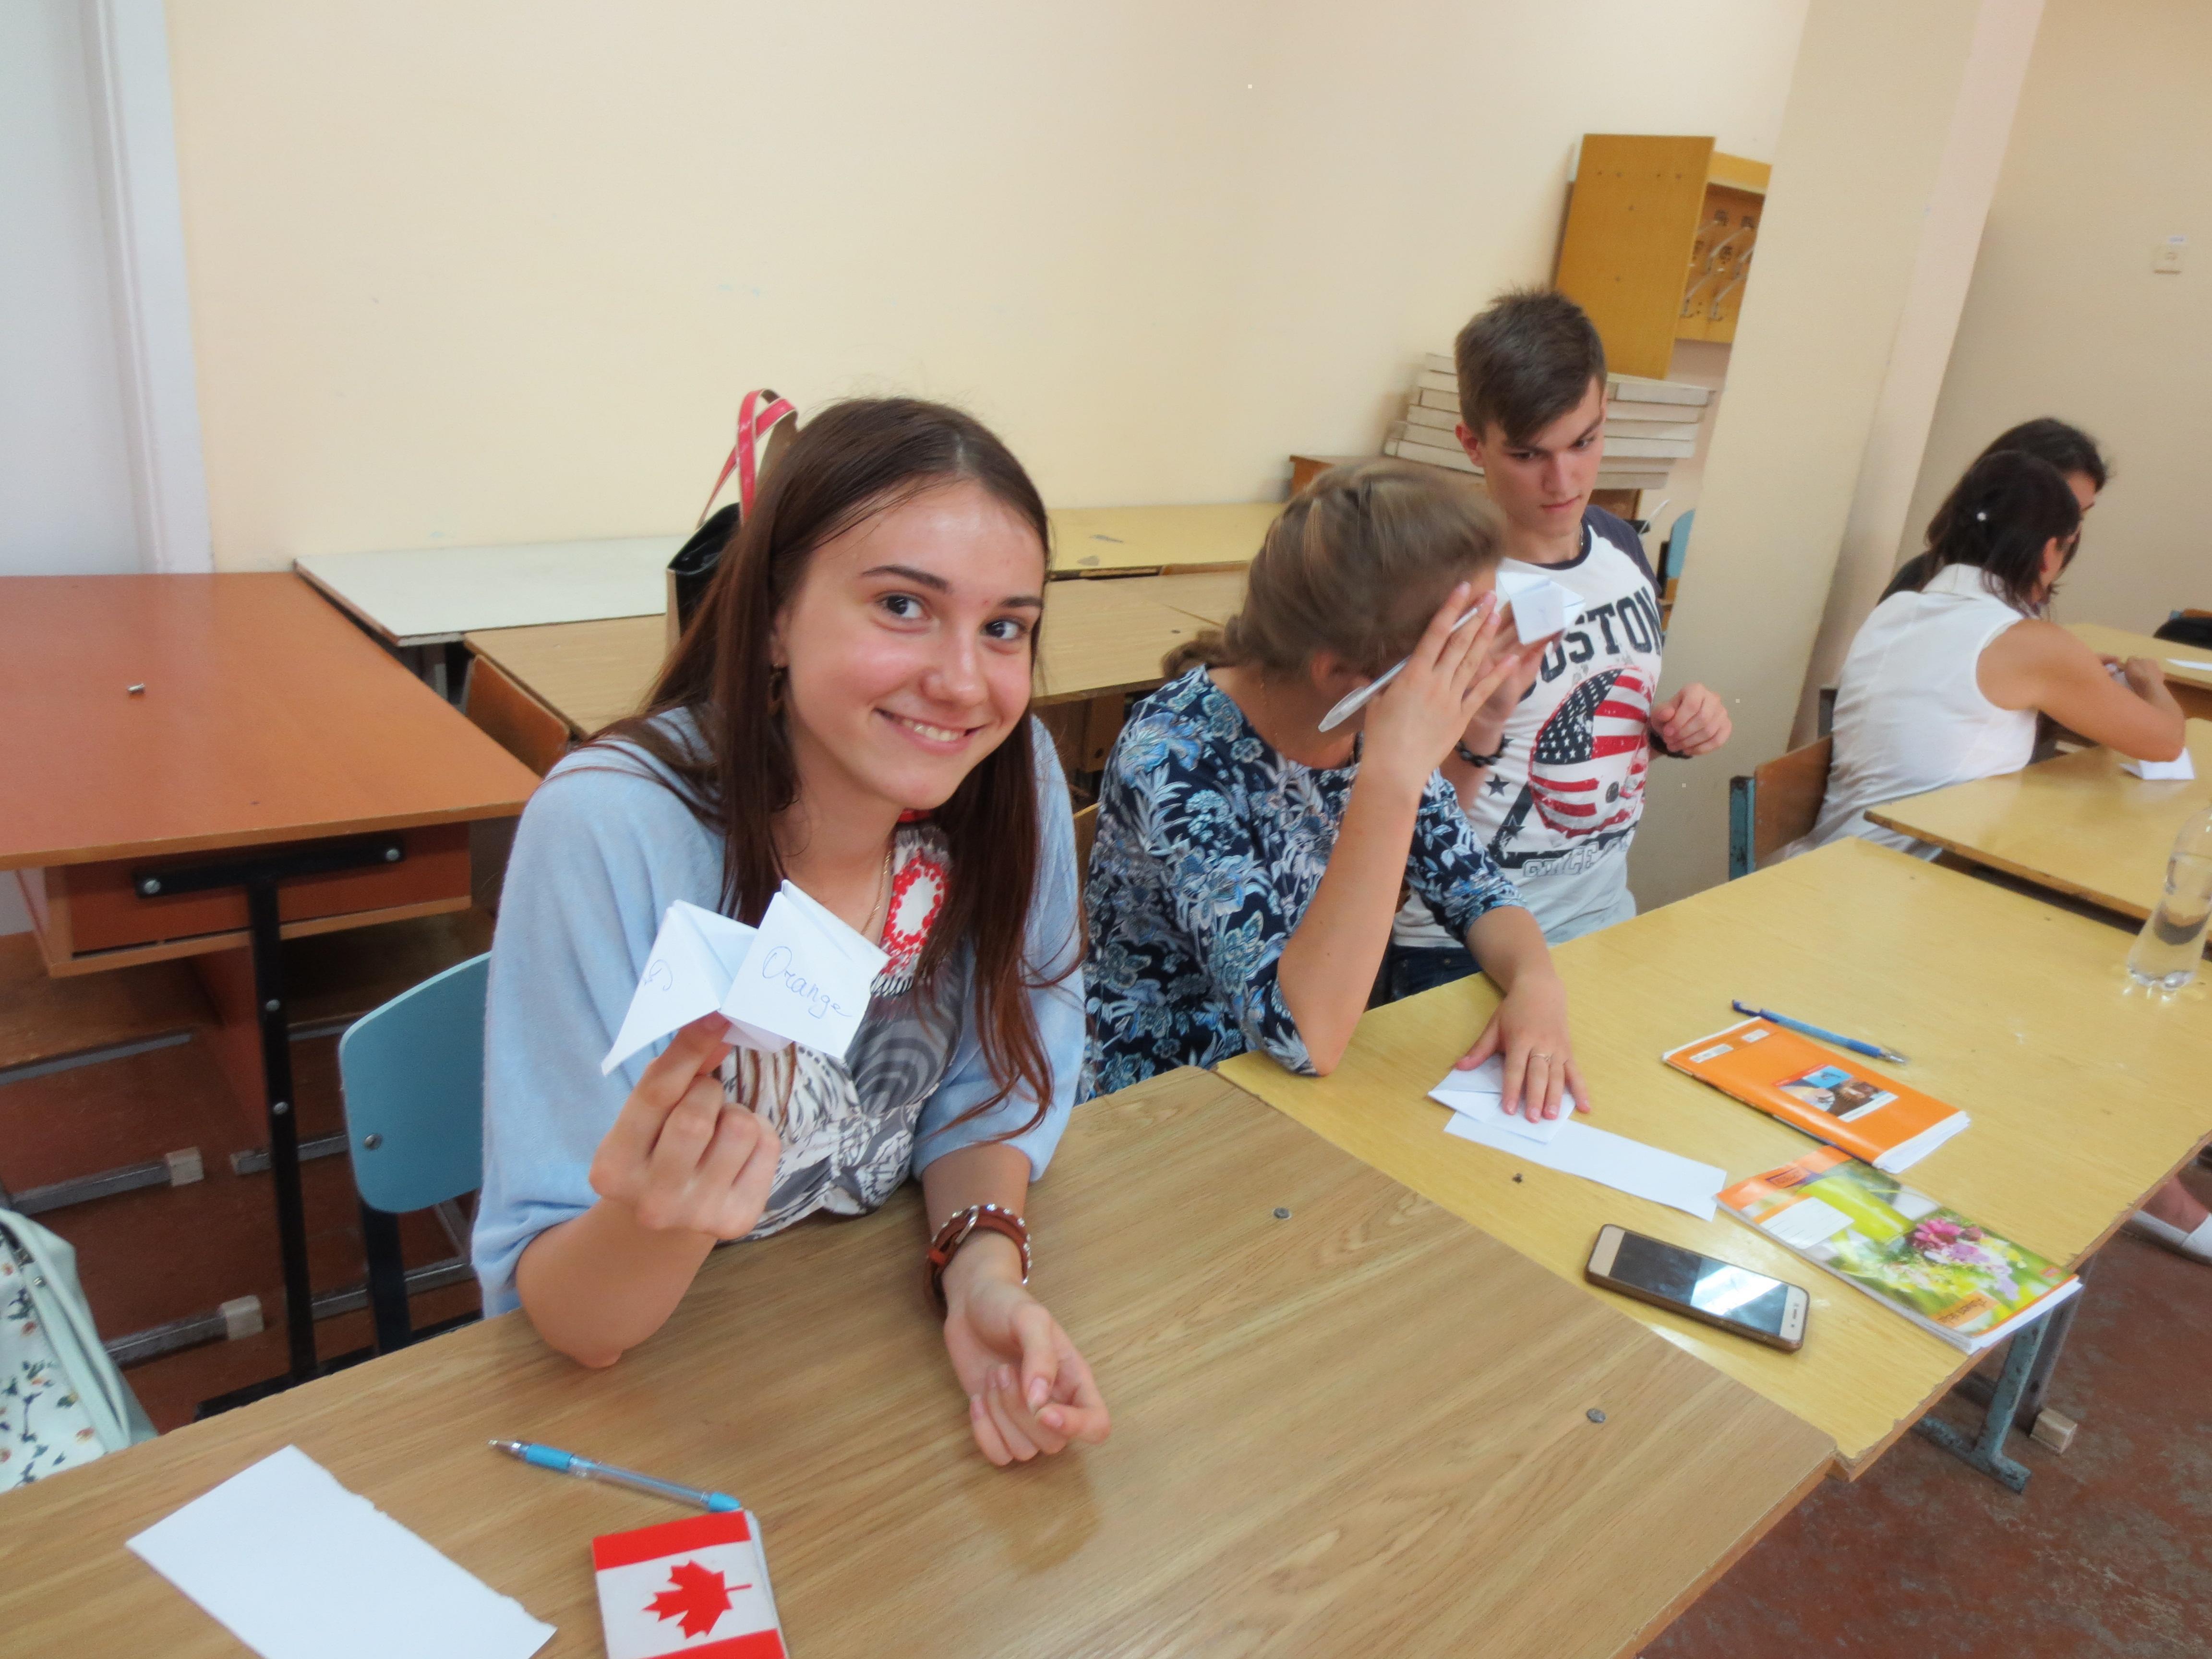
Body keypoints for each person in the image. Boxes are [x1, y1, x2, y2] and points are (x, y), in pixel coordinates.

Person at [472, 398, 1111, 1465]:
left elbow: (989, 1089)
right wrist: (664, 1214)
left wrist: (982, 1276)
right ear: (775, 617)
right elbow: (575, 1322)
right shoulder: (609, 828)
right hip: (666, 1403)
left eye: (1005, 627)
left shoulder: (1012, 779)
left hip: (864, 1373)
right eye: (902, 606)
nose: (964, 682)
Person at [1795, 444, 2205, 1264]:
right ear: (2049, 552)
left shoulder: (1900, 607)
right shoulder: (2029, 642)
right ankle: (2142, 1179)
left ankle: (2139, 1174)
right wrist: (2148, 679)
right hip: (1914, 899)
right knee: (2113, 967)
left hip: (1832, 869)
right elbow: (2163, 741)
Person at [1085, 460, 1587, 1122]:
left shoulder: (1370, 726)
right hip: (1167, 1106)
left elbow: (1478, 893)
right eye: (1458, 647)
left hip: (1313, 1094)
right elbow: (1303, 1035)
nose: (1481, 662)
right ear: (1343, 676)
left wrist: (1536, 983)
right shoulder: (1174, 757)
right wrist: (1394, 776)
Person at [1383, 289, 1732, 998]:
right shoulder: (1444, 591)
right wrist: (1482, 725)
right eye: (1527, 455)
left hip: (1603, 916)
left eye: (1584, 442)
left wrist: (1665, 732)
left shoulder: (1621, 546)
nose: (1563, 480)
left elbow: (1577, 734)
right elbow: (1399, 810)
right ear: (1473, 445)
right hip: (1461, 947)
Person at [1881, 417, 2107, 602]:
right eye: (2062, 514)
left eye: (2082, 516)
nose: (2071, 535)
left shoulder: (2016, 591)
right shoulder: (1926, 587)